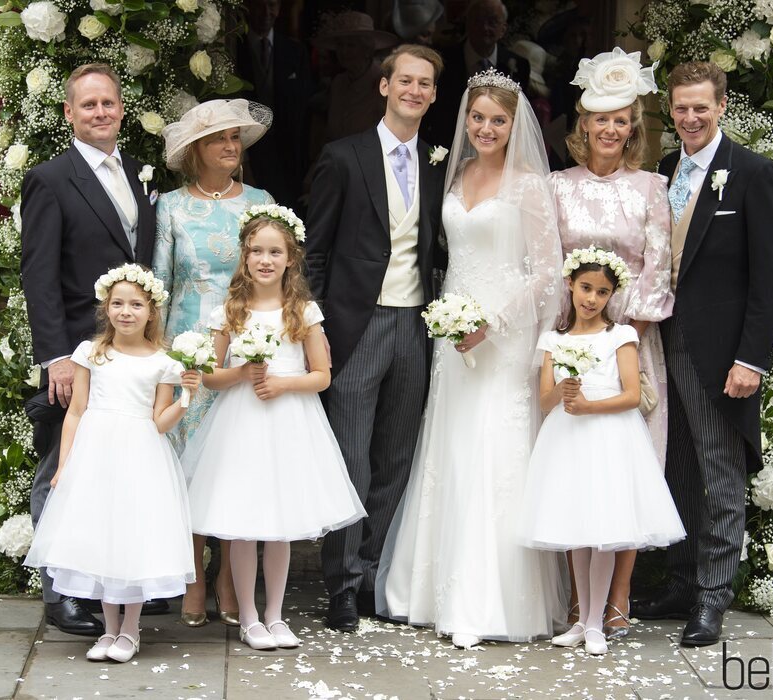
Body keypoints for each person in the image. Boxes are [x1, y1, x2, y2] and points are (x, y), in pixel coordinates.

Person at [376, 68, 566, 648]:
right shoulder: (454, 174)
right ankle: (432, 590)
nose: (485, 128)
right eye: (477, 117)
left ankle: (488, 603)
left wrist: (494, 322)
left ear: (515, 125)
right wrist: (455, 322)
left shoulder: (531, 185)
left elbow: (548, 272)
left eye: (498, 120)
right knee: (450, 447)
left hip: (501, 341)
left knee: (493, 451)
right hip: (451, 339)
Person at [631, 61, 773, 647]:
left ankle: (713, 598)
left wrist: (751, 359)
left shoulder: (752, 174)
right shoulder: (668, 169)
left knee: (721, 472)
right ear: (670, 111)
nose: (691, 117)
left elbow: (769, 282)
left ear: (722, 106)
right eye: (681, 108)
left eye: (701, 107)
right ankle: (678, 582)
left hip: (721, 355)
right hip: (663, 344)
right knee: (676, 466)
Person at [305, 44, 446, 633]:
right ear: (384, 86)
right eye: (404, 80)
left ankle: (371, 576)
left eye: (425, 84)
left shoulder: (442, 164)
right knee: (351, 459)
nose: (414, 91)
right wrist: (312, 326)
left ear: (434, 95)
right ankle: (339, 583)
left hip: (417, 325)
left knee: (397, 459)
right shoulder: (343, 158)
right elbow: (313, 252)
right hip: (356, 326)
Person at [180, 207, 365, 651]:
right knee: (244, 523)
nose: (265, 259)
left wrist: (282, 383)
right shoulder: (232, 310)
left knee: (280, 523)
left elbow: (321, 375)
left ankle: (276, 615)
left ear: (290, 259)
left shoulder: (302, 311)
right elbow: (209, 375)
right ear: (244, 257)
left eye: (275, 252)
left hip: (289, 422)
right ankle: (248, 617)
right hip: (240, 423)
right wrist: (242, 374)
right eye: (256, 251)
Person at [21, 63, 161, 636]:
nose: (99, 113)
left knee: (119, 469)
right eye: (88, 105)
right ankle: (61, 593)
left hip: (132, 350)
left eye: (108, 103)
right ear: (68, 114)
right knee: (64, 466)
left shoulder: (136, 173)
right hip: (78, 352)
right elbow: (38, 273)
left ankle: (117, 586)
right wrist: (56, 355)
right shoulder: (51, 179)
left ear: (121, 109)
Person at [548, 47, 672, 640]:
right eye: (601, 117)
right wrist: (569, 337)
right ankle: (579, 600)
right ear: (585, 124)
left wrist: (624, 336)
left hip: (629, 347)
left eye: (622, 119)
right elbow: (546, 266)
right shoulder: (556, 186)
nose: (611, 129)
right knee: (575, 471)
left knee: (628, 475)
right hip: (572, 340)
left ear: (633, 128)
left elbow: (657, 267)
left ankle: (618, 597)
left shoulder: (651, 187)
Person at [25, 266, 198, 664]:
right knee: (102, 535)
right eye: (117, 303)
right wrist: (64, 463)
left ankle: (130, 630)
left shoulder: (163, 362)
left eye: (136, 304)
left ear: (151, 311)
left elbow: (159, 423)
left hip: (140, 454)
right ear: (106, 308)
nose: (126, 312)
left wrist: (185, 397)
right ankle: (108, 629)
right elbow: (76, 412)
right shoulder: (91, 353)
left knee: (131, 535)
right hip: (95, 453)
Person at [519, 248, 685, 655]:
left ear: (612, 296)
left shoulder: (621, 336)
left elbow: (631, 395)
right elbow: (544, 400)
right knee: (578, 527)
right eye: (585, 288)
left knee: (605, 529)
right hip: (568, 438)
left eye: (602, 292)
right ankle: (580, 620)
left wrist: (590, 405)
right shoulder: (554, 340)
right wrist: (564, 390)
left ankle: (596, 623)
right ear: (571, 286)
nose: (591, 299)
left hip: (609, 435)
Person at [154, 98, 274, 629]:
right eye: (218, 139)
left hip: (242, 339)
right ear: (195, 151)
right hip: (185, 342)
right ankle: (193, 576)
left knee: (232, 459)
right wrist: (158, 353)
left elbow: (273, 273)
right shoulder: (172, 207)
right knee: (186, 461)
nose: (231, 147)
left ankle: (230, 576)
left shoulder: (261, 201)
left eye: (235, 139)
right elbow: (159, 280)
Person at [235, 0, 311, 210]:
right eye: (259, 5)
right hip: (249, 152)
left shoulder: (295, 51)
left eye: (272, 5)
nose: (266, 12)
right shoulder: (233, 49)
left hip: (288, 154)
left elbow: (304, 111)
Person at [422, 0, 530, 147]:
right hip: (447, 148)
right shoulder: (442, 61)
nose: (485, 28)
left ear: (503, 29)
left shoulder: (518, 65)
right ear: (467, 24)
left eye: (492, 22)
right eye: (478, 20)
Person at [314, 11, 399, 143]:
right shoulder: (338, 82)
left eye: (350, 45)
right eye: (340, 45)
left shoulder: (384, 83)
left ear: (367, 49)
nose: (343, 51)